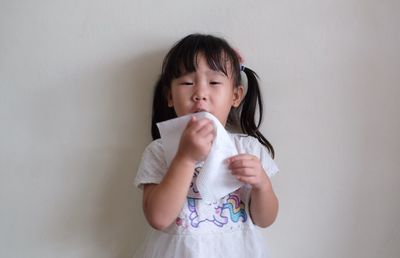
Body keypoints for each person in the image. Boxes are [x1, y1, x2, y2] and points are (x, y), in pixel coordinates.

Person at [134, 33, 279, 258]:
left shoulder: (248, 149)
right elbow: (158, 218)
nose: (200, 94)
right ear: (169, 96)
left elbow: (265, 219)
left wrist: (262, 185)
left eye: (214, 82)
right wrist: (185, 158)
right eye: (187, 83)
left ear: (236, 95)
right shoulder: (160, 151)